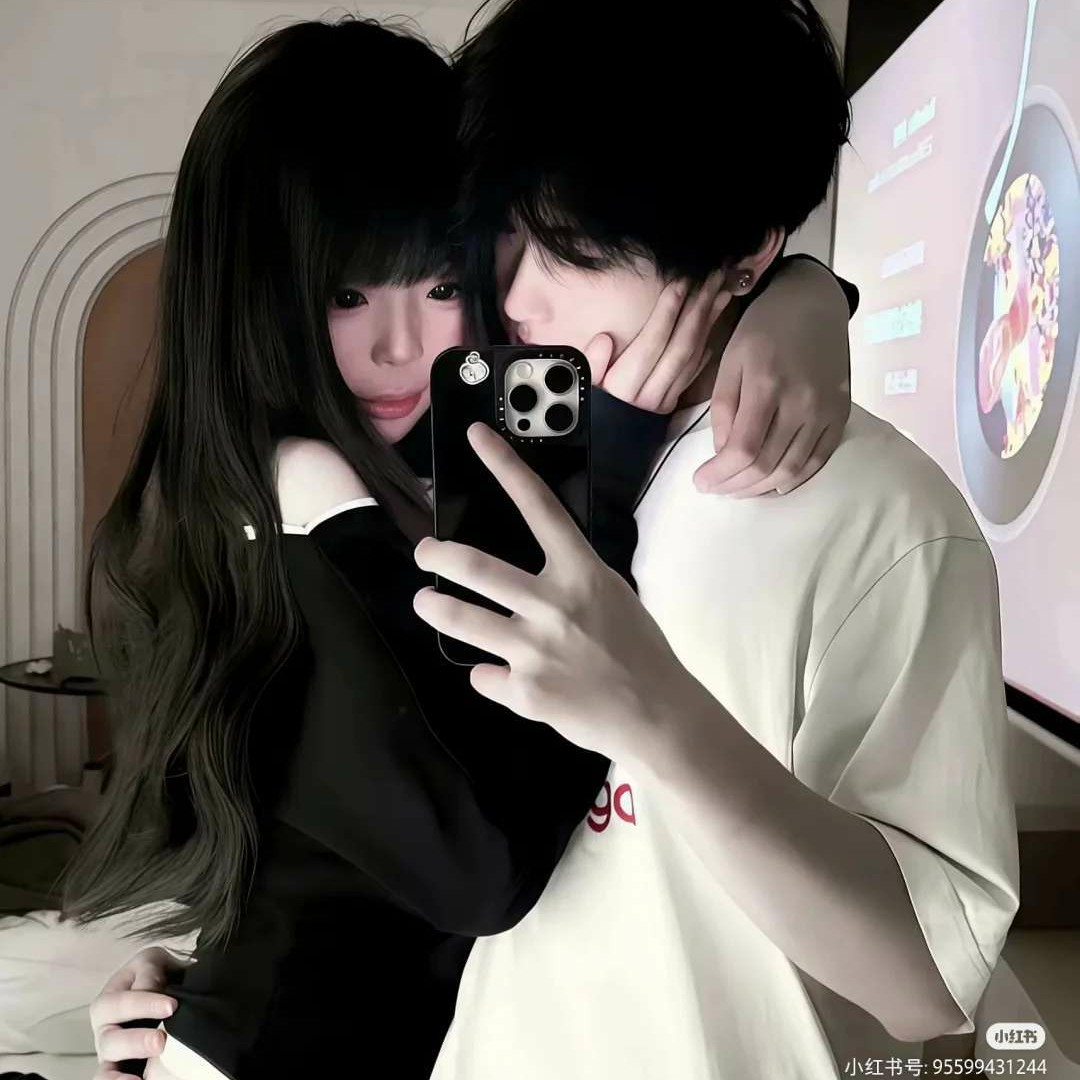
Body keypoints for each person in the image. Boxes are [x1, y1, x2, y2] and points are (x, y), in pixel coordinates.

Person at [60, 12, 862, 1080]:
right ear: (259, 297)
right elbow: (481, 868)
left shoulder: (462, 446)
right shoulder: (301, 494)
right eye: (347, 295)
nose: (406, 345)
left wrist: (802, 296)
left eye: (442, 281)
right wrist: (607, 480)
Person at [406, 1, 1019, 1077]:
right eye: (511, 237)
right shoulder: (514, 439)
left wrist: (652, 713)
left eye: (572, 252)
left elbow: (927, 981)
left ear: (745, 254)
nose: (518, 298)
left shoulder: (885, 518)